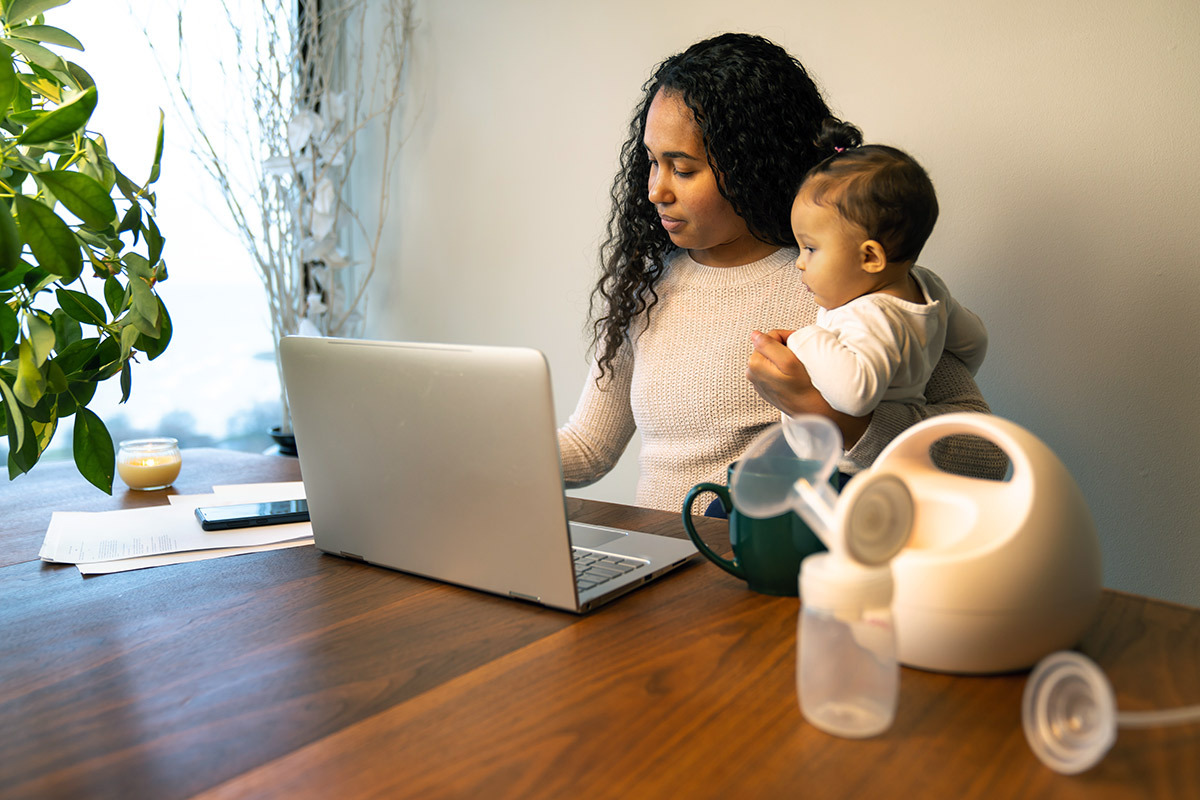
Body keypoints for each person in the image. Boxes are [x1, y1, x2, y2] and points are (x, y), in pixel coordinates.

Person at [557, 32, 1004, 514]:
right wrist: (478, 450)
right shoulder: (645, 288)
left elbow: (985, 455)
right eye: (651, 162)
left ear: (749, 165)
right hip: (665, 574)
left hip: (772, 577)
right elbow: (587, 449)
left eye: (682, 170)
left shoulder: (845, 283)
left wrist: (836, 420)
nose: (654, 191)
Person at [785, 119, 988, 420]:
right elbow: (974, 342)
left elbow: (855, 397)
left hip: (843, 460)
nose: (800, 262)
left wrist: (803, 339)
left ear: (870, 257)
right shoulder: (929, 286)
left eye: (811, 248)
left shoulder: (868, 316)